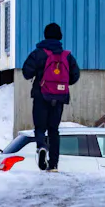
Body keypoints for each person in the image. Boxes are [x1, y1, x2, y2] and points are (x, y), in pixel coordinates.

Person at [22, 23, 80, 171]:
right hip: (59, 97)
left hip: (41, 96)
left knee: (40, 128)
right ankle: (53, 164)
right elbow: (75, 76)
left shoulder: (38, 53)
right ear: (60, 36)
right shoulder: (67, 56)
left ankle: (42, 146)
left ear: (45, 35)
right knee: (54, 130)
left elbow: (26, 72)